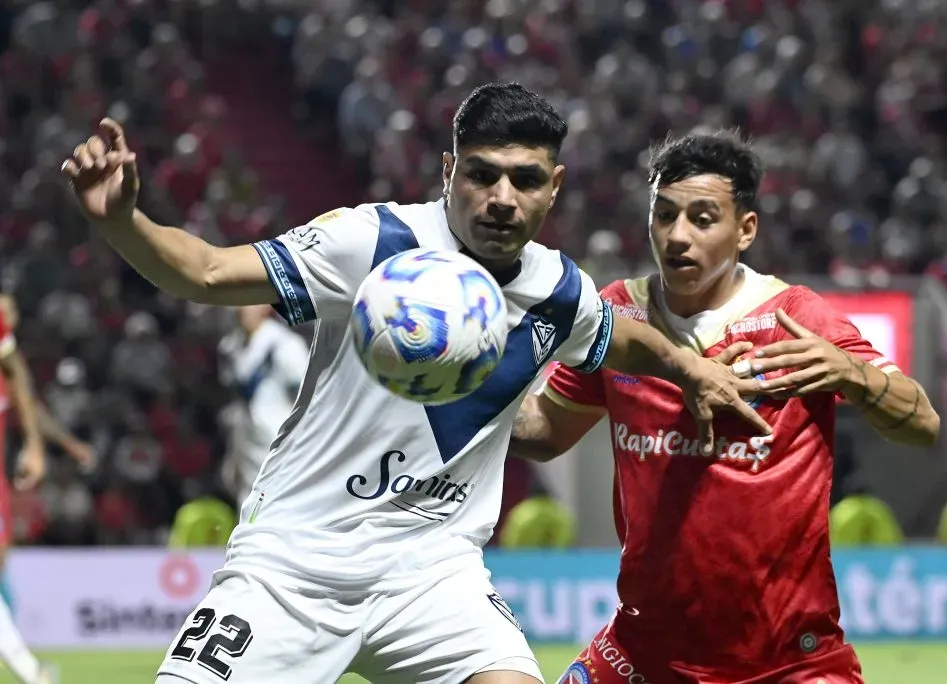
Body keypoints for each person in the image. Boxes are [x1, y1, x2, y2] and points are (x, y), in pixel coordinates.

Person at [61, 83, 770, 684]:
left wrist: (689, 366)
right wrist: (124, 222)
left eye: (524, 180)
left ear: (553, 188)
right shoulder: (373, 241)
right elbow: (208, 272)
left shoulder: (558, 288)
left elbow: (618, 335)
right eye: (481, 174)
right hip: (294, 564)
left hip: (433, 573)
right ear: (446, 173)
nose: (500, 198)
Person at [511, 130, 941, 684]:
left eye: (702, 218)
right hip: (643, 653)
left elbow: (923, 423)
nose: (676, 236)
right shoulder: (620, 313)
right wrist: (456, 391)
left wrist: (850, 373)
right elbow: (545, 432)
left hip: (789, 662)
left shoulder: (796, 316)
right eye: (663, 215)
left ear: (746, 230)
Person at [0, 294, 93, 684]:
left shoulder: (10, 381)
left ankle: (28, 668)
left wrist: (49, 446)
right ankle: (29, 670)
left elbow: (30, 406)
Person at [217, 304, 309, 509]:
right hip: (244, 434)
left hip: (276, 434)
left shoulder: (285, 343)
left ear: (266, 306)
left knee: (278, 496)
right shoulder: (230, 345)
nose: (242, 309)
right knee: (243, 491)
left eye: (249, 303)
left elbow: (306, 393)